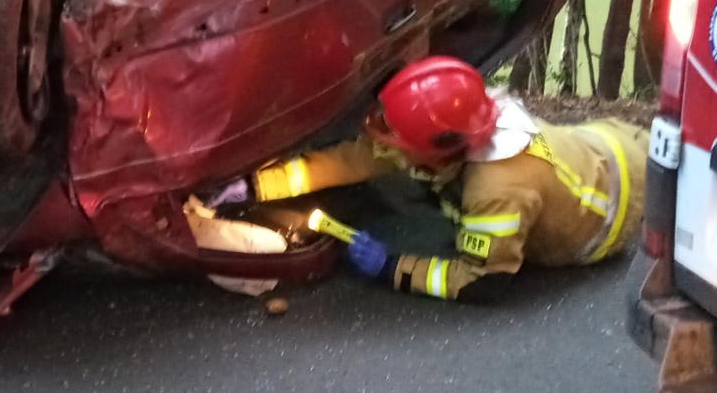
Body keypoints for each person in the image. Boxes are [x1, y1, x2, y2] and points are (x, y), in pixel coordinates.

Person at [212, 56, 648, 301]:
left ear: (437, 150)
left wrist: (393, 269)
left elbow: (484, 282)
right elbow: (361, 160)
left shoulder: (496, 192)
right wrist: (258, 186)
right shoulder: (465, 117)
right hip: (605, 143)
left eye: (397, 141)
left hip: (609, 215)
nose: (385, 147)